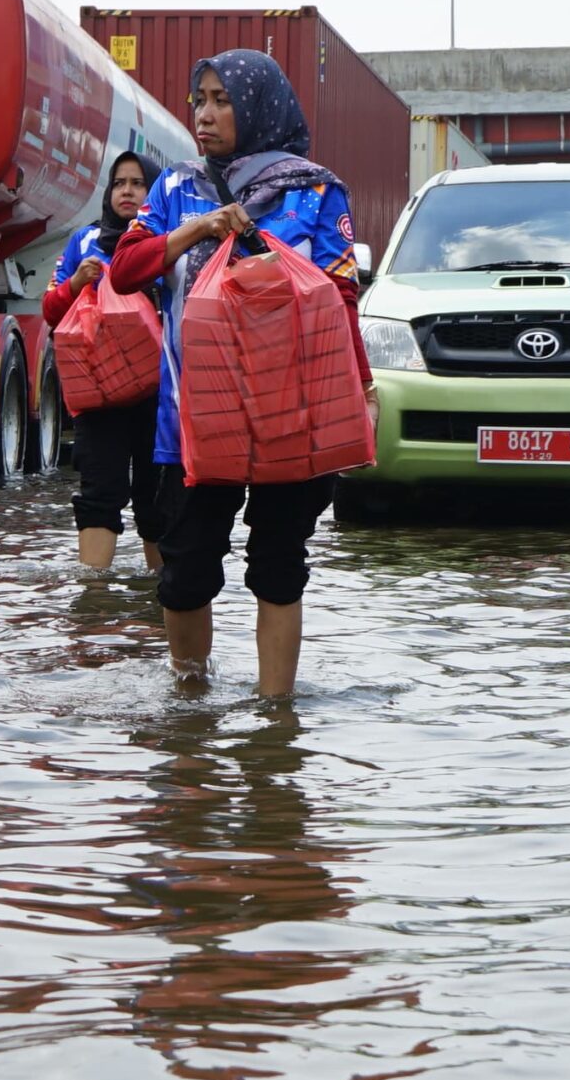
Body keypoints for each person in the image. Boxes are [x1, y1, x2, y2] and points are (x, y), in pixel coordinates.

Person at [107, 51, 368, 700]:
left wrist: (362, 394)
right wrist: (200, 228)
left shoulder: (316, 191)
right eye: (200, 99)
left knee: (279, 567)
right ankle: (189, 705)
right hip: (191, 420)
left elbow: (341, 298)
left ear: (258, 108)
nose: (205, 114)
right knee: (185, 572)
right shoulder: (177, 189)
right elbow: (126, 270)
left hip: (294, 415)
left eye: (222, 100)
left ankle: (274, 721)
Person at [42, 151, 164, 573]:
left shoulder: (167, 240)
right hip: (98, 391)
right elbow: (51, 312)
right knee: (98, 494)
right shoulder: (84, 242)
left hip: (157, 393)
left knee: (158, 498)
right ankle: (93, 603)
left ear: (155, 191)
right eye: (118, 183)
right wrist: (77, 283)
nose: (127, 191)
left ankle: (162, 598)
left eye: (137, 183)